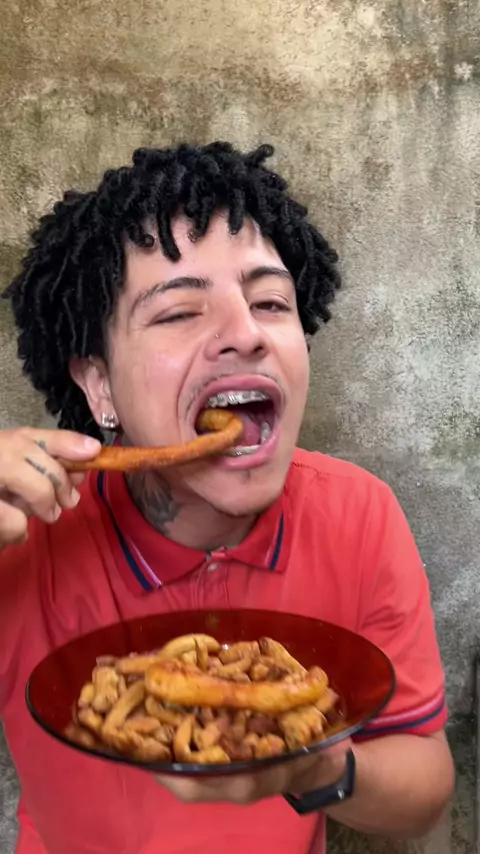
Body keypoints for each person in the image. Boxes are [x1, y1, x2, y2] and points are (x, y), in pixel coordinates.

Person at [0, 142, 453, 854]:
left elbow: (424, 788)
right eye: (179, 312)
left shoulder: (359, 515)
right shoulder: (26, 535)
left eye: (271, 302)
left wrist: (320, 767)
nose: (246, 334)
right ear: (98, 386)